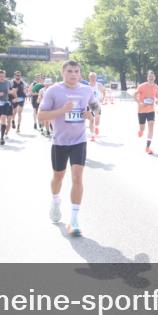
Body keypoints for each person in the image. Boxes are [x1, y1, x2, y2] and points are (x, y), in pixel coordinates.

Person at [36, 60, 94, 237]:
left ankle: (74, 220)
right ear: (63, 73)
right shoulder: (54, 90)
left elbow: (96, 107)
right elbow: (41, 116)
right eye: (70, 71)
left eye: (77, 71)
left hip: (79, 140)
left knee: (77, 177)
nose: (74, 74)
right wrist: (61, 110)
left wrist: (91, 115)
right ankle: (55, 201)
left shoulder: (86, 90)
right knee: (58, 177)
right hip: (60, 142)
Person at [135, 70, 158, 154]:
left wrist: (157, 101)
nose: (151, 78)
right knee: (142, 128)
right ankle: (141, 131)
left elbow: (157, 97)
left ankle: (147, 147)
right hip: (141, 111)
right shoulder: (142, 86)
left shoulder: (156, 87)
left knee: (151, 125)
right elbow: (134, 95)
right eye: (149, 76)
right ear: (147, 77)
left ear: (154, 77)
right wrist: (139, 102)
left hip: (151, 110)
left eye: (152, 76)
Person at [87, 72, 104, 141]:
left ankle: (96, 127)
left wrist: (102, 98)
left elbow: (104, 92)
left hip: (96, 104)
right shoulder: (86, 86)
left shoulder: (99, 85)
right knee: (91, 120)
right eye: (91, 77)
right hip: (88, 104)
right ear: (89, 78)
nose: (93, 78)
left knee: (97, 119)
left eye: (94, 77)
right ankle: (92, 135)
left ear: (96, 78)